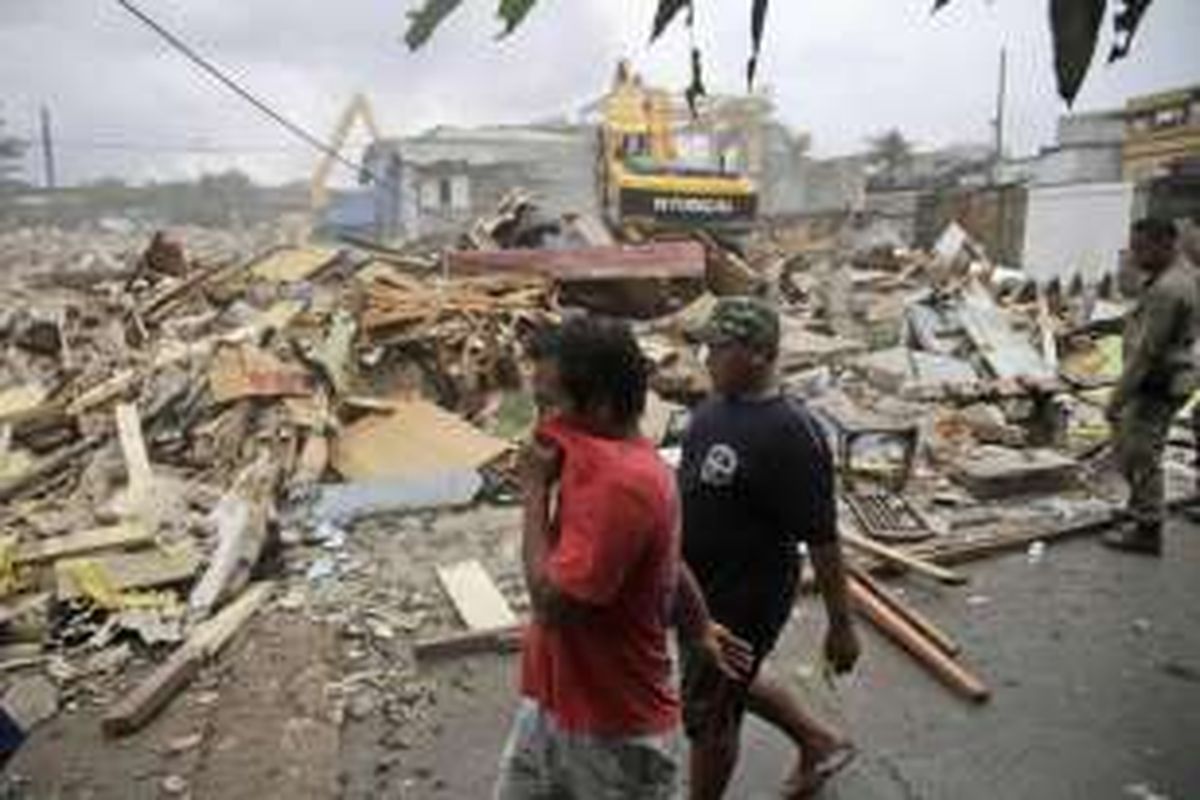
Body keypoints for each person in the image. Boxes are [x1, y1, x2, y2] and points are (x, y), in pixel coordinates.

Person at [496, 316, 751, 799]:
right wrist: (698, 627)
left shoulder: (620, 485)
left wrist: (533, 495)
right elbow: (668, 561)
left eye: (549, 404)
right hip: (555, 702)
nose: (538, 424)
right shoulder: (595, 456)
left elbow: (552, 604)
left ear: (602, 405)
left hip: (608, 730)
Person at [678, 296, 861, 799]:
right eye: (706, 348)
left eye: (720, 349)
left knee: (710, 715)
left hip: (744, 596)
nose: (707, 359)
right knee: (728, 679)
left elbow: (823, 540)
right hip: (698, 586)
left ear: (759, 353)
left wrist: (841, 625)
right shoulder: (714, 409)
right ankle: (818, 740)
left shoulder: (791, 435)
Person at [1104, 217, 1200, 555]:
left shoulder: (1168, 289)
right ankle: (1138, 509)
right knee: (1138, 447)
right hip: (1173, 376)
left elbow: (1146, 353)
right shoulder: (1180, 276)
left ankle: (1148, 528)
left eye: (1141, 248)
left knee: (1141, 451)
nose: (1134, 256)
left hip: (1157, 380)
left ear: (1164, 244)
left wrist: (1116, 400)